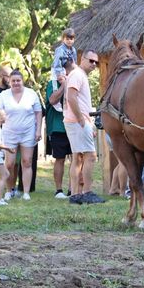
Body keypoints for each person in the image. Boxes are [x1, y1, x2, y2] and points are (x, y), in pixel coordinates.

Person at [0, 70, 42, 201]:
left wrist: (38, 131)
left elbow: (38, 112)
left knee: (27, 161)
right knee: (9, 164)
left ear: (22, 81)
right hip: (9, 133)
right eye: (13, 80)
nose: (16, 83)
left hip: (28, 132)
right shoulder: (3, 95)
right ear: (9, 81)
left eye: (18, 80)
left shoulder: (31, 94)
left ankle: (26, 192)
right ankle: (9, 190)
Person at [64, 49, 103, 203]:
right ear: (82, 59)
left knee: (78, 158)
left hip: (75, 121)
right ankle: (87, 192)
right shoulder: (77, 74)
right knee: (90, 156)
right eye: (91, 60)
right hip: (77, 121)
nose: (94, 64)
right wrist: (82, 120)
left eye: (96, 62)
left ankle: (75, 195)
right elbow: (71, 97)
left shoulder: (79, 75)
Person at [45, 66, 73, 199]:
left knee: (75, 158)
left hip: (73, 125)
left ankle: (73, 189)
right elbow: (52, 100)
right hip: (57, 127)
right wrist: (64, 86)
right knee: (60, 158)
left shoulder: (75, 82)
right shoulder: (52, 84)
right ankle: (59, 190)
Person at [52, 28, 77, 93]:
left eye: (71, 39)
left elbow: (74, 62)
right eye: (67, 39)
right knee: (57, 87)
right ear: (63, 39)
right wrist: (59, 75)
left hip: (67, 71)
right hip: (58, 70)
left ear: (74, 40)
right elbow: (57, 63)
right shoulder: (60, 50)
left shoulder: (73, 50)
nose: (69, 41)